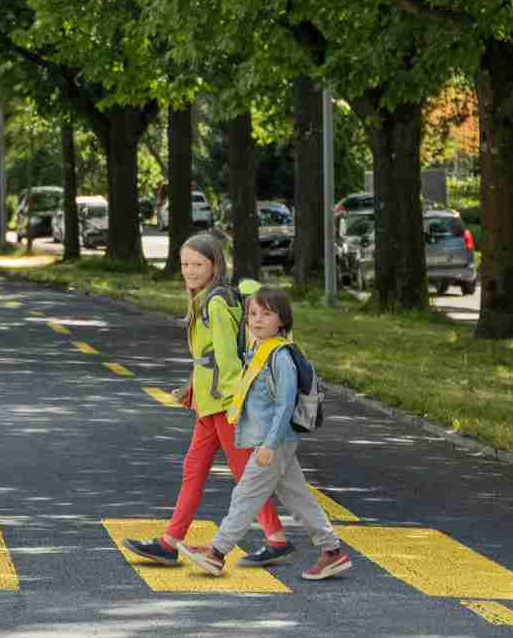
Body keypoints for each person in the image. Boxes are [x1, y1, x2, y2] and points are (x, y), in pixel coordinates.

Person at [123, 233, 291, 566]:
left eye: (198, 264)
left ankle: (276, 539)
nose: (190, 270)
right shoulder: (204, 298)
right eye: (185, 264)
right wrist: (191, 388)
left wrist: (233, 405)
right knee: (196, 470)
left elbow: (227, 360)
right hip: (208, 405)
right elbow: (206, 357)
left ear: (214, 265)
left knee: (245, 475)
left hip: (224, 406)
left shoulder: (214, 302)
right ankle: (171, 542)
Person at [175, 286, 351, 580]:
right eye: (253, 314)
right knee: (298, 500)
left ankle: (217, 553)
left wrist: (270, 444)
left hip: (274, 442)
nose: (257, 320)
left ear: (282, 320)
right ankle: (333, 552)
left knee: (245, 495)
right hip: (272, 441)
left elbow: (284, 405)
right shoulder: (258, 350)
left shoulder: (280, 356)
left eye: (266, 314)